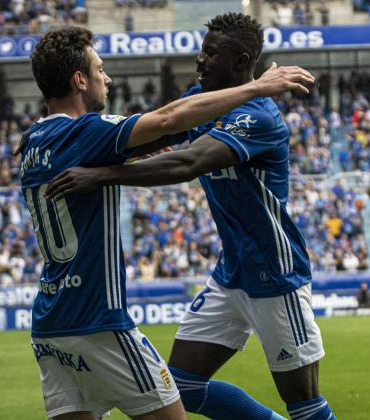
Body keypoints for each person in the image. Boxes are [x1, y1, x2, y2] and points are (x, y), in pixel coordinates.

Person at [45, 13, 336, 420]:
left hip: (275, 274)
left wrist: (103, 175)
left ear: (241, 61)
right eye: (201, 51)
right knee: (181, 385)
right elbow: (158, 132)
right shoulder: (202, 99)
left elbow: (188, 162)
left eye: (211, 53)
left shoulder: (259, 116)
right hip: (231, 272)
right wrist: (80, 143)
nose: (200, 60)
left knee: (304, 404)